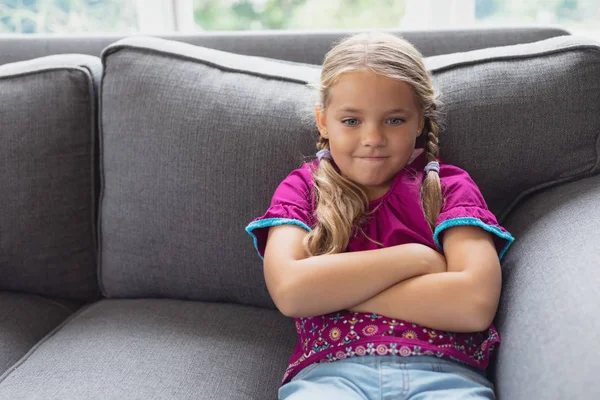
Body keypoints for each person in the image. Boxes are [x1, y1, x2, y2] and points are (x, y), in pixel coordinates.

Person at [245, 32, 515, 400]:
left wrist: (330, 290)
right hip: (329, 378)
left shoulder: (448, 187)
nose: (373, 138)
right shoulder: (303, 189)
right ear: (323, 122)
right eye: (352, 121)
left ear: (419, 121)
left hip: (444, 374)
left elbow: (474, 306)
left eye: (394, 120)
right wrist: (416, 258)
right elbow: (291, 293)